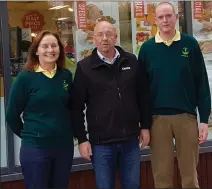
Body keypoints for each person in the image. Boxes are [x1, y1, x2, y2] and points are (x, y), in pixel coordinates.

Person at [138, 2, 211, 189]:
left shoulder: (190, 44)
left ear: (176, 17)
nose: (165, 20)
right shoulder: (147, 49)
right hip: (157, 120)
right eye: (161, 17)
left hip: (186, 117)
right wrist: (144, 125)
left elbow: (202, 83)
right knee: (162, 178)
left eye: (168, 16)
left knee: (190, 178)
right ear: (155, 20)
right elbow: (142, 91)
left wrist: (204, 120)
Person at [70, 21, 150, 189]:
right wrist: (82, 139)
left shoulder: (131, 61)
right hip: (101, 144)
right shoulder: (84, 68)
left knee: (132, 185)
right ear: (94, 39)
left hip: (130, 140)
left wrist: (145, 127)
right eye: (100, 34)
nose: (105, 38)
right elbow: (76, 107)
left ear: (116, 37)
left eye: (109, 34)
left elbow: (143, 96)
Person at [6, 30, 74, 189]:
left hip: (63, 147)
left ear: (59, 49)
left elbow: (71, 108)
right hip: (36, 149)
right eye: (45, 46)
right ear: (36, 51)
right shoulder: (25, 78)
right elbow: (12, 115)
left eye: (54, 45)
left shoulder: (65, 76)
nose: (50, 50)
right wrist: (29, 134)